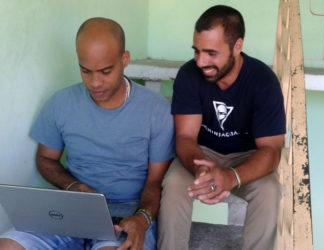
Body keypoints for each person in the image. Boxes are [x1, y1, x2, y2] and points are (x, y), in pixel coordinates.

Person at [0, 17, 174, 250]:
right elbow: (45, 159)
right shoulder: (61, 103)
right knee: (8, 246)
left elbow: (155, 182)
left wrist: (142, 219)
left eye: (105, 71)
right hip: (71, 211)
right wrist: (73, 186)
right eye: (85, 71)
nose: (95, 83)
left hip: (127, 216)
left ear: (125, 60)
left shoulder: (156, 111)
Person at [158, 5, 286, 250]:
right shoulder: (189, 74)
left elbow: (271, 151)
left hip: (248, 157)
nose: (201, 61)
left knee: (269, 191)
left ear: (237, 46)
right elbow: (185, 137)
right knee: (174, 183)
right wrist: (202, 172)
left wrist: (230, 177)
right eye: (196, 51)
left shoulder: (263, 81)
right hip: (201, 153)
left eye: (211, 53)